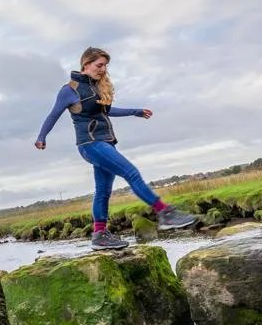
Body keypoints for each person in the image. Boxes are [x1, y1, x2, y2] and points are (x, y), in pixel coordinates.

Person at [35, 47, 197, 250]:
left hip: (104, 143)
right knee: (131, 173)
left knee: (103, 191)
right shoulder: (70, 89)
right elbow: (53, 114)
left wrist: (134, 111)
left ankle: (100, 235)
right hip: (91, 144)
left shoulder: (95, 88)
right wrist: (41, 137)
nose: (103, 70)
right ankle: (165, 213)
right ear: (86, 64)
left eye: (105, 66)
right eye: (99, 65)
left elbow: (107, 110)